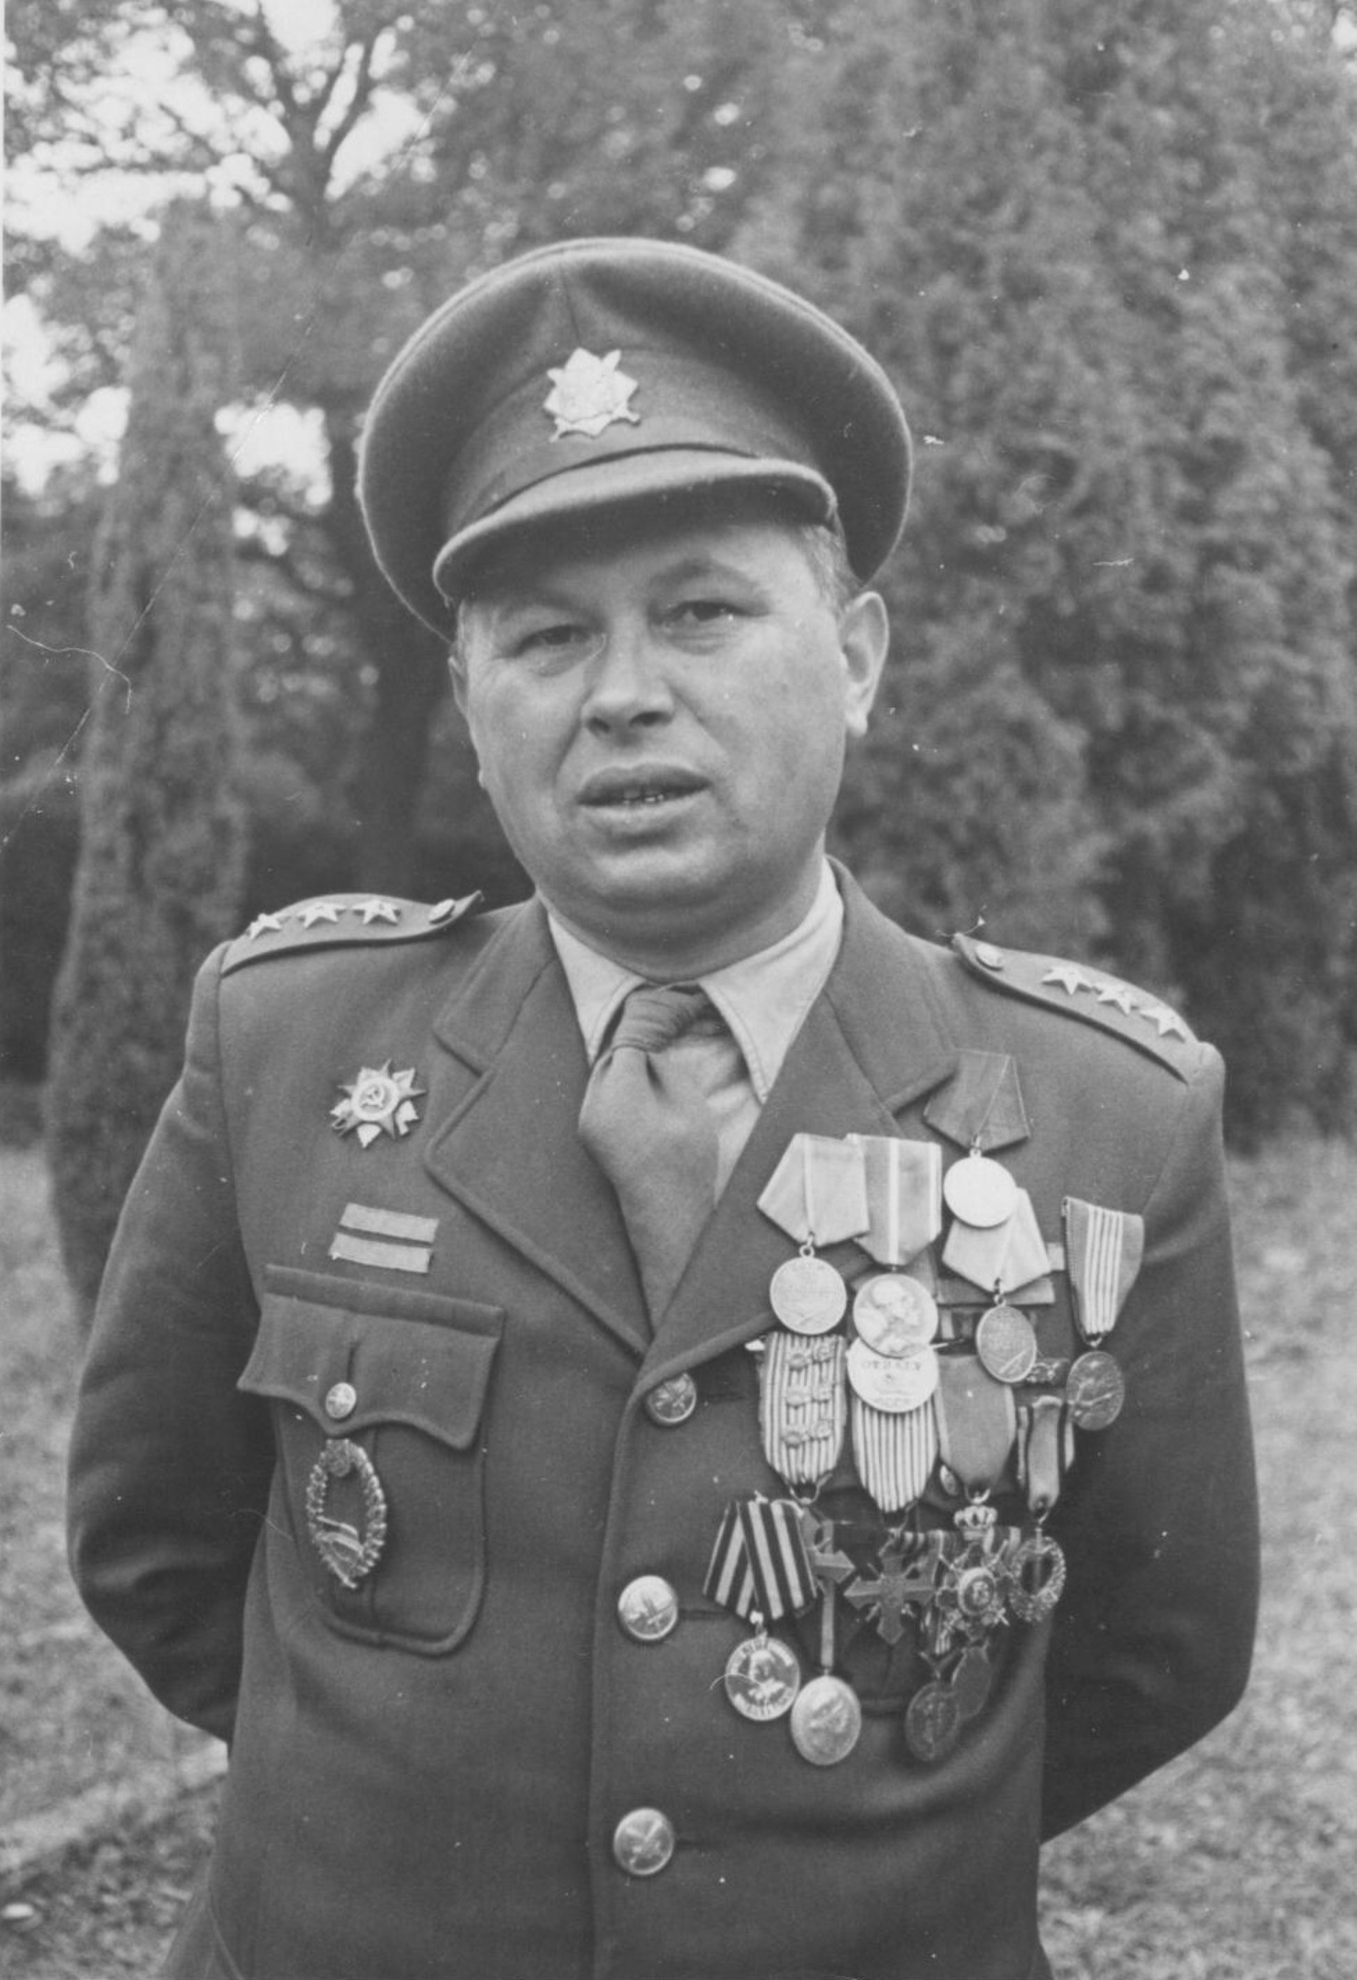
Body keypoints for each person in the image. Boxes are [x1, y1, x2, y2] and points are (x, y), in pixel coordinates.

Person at [67, 238, 1259, 1980]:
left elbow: (1159, 1646)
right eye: (548, 636)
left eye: (700, 612)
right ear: (472, 703)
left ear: (854, 658)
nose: (621, 691)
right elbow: (153, 1541)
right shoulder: (288, 1041)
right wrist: (396, 1818)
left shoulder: (1108, 1111)